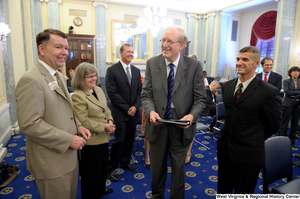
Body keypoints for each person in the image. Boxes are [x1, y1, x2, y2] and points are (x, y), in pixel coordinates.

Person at [15, 29, 91, 199]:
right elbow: (29, 124)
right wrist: (69, 139)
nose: (65, 52)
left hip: (68, 157)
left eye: (66, 47)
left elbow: (65, 109)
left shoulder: (58, 75)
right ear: (42, 50)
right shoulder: (31, 79)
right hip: (51, 162)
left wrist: (78, 125)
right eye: (58, 47)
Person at [141, 27, 206, 199]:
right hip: (157, 127)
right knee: (157, 170)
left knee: (178, 171)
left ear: (182, 45)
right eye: (163, 40)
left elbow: (200, 99)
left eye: (169, 41)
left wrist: (192, 116)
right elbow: (146, 94)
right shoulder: (152, 64)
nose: (164, 44)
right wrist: (151, 111)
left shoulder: (194, 66)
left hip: (181, 128)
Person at [217, 46, 281, 194]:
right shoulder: (227, 86)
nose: (239, 62)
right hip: (225, 151)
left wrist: (254, 137)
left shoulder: (268, 91)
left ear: (256, 63)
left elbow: (274, 124)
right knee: (223, 191)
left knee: (243, 193)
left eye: (245, 59)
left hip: (249, 156)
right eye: (238, 59)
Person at [71, 63, 115, 198]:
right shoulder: (77, 96)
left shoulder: (98, 90)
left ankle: (101, 189)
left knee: (102, 169)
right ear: (80, 78)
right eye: (89, 77)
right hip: (90, 141)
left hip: (103, 138)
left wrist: (110, 121)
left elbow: (106, 109)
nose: (94, 79)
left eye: (95, 75)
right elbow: (83, 121)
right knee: (91, 173)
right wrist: (104, 127)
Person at [105, 43, 142, 182]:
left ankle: (125, 163)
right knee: (119, 140)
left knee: (130, 139)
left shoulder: (137, 71)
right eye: (128, 52)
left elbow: (140, 91)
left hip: (133, 113)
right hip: (120, 113)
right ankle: (111, 168)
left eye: (132, 52)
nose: (131, 54)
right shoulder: (112, 70)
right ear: (121, 53)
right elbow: (112, 93)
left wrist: (136, 107)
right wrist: (127, 108)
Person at [278, 66, 300, 148]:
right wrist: (298, 93)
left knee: (294, 124)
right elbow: (287, 91)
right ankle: (281, 140)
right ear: (290, 73)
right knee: (284, 123)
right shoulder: (286, 81)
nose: (296, 73)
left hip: (298, 105)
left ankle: (292, 142)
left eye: (297, 71)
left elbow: (291, 93)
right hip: (288, 104)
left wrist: (294, 96)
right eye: (294, 71)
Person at [141, 76, 151, 168]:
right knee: (148, 134)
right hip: (149, 108)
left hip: (162, 108)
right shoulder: (146, 77)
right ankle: (147, 156)